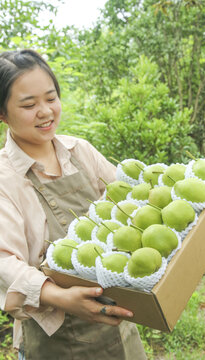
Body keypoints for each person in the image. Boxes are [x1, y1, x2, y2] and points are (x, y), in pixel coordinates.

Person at [0, 49, 147, 360]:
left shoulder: (79, 151)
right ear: (2, 113)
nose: (45, 111)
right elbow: (4, 262)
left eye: (51, 98)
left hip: (118, 322)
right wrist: (60, 297)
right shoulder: (5, 178)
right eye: (29, 104)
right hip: (58, 336)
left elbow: (128, 201)